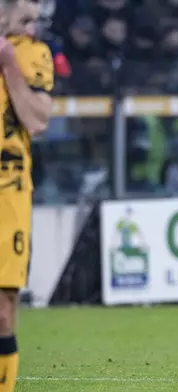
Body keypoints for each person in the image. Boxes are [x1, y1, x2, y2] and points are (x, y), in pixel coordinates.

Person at [0, 0, 54, 390]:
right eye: (24, 21)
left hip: (10, 190)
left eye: (36, 21)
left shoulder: (32, 55)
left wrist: (7, 63)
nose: (32, 30)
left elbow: (37, 119)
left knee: (5, 303)